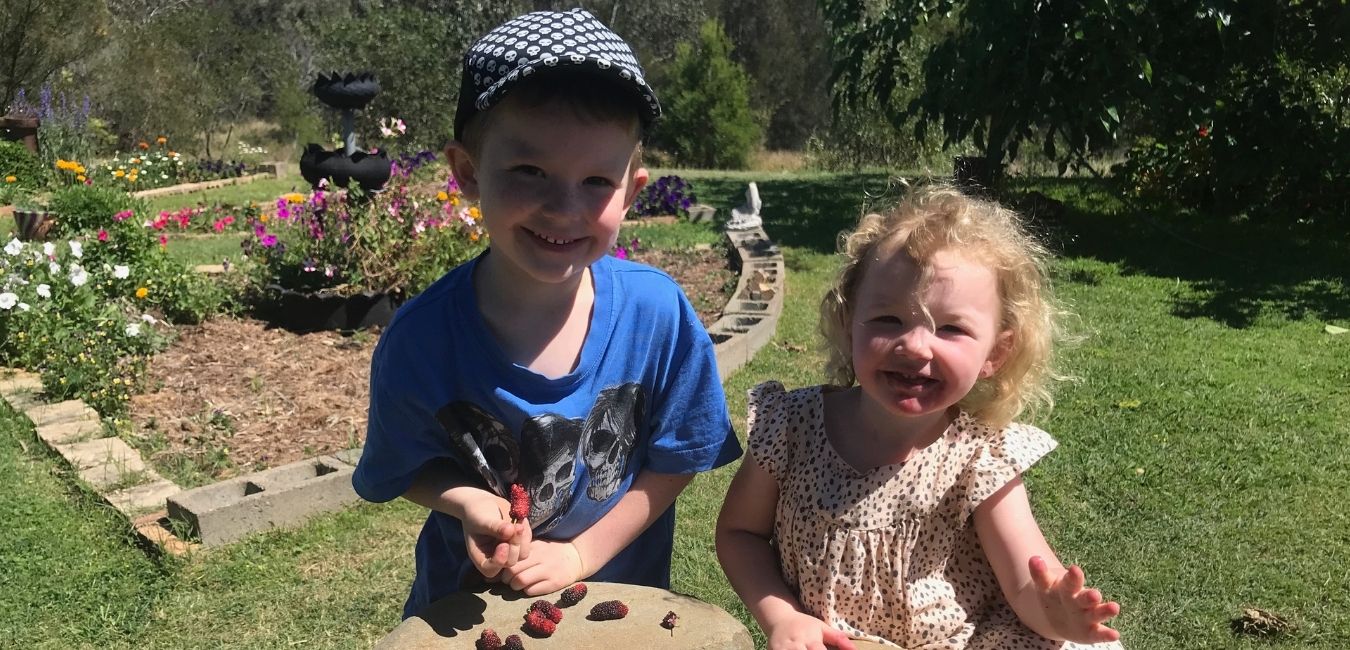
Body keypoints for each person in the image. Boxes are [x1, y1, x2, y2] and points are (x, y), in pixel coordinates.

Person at [352, 8, 742, 619]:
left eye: (596, 181)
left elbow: (678, 461)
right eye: (530, 171)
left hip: (616, 615)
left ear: (631, 192)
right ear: (467, 172)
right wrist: (465, 503)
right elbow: (400, 466)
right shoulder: (420, 341)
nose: (563, 207)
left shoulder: (657, 316)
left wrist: (581, 555)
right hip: (465, 612)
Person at [716, 186, 1124, 649]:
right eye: (889, 320)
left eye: (951, 328)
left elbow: (1027, 583)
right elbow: (740, 533)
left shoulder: (981, 457)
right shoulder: (791, 427)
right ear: (850, 324)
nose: (914, 346)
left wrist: (1055, 615)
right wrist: (783, 617)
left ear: (996, 352)